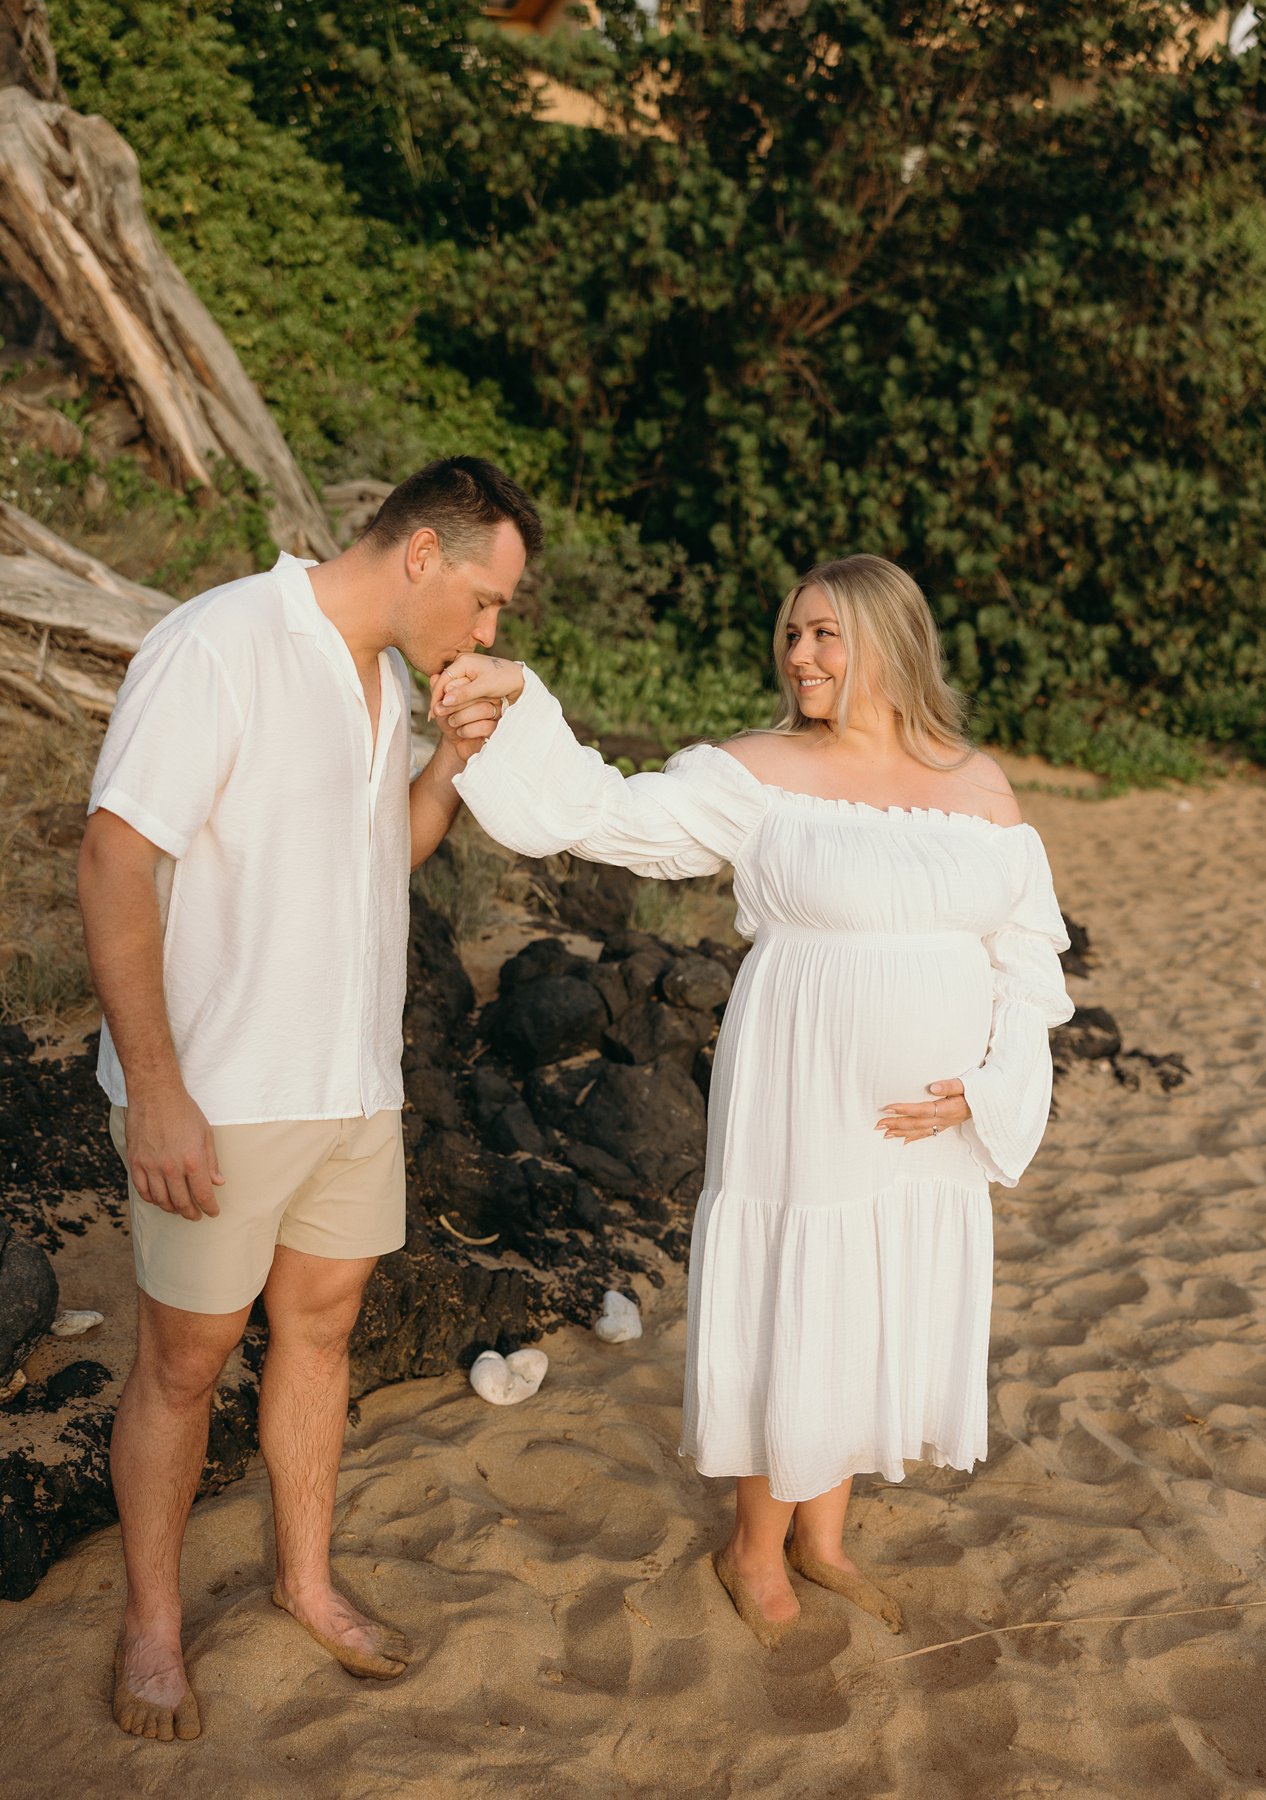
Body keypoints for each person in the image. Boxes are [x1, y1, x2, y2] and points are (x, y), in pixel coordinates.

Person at [431, 553, 1073, 1648]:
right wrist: (521, 700)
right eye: (791, 634)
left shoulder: (977, 781)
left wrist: (984, 1090)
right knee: (805, 1292)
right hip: (804, 1084)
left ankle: (823, 1543)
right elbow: (606, 812)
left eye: (825, 633)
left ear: (889, 642)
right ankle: (751, 1548)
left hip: (932, 1119)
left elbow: (1026, 961)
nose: (801, 653)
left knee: (875, 1297)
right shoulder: (757, 771)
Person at [77, 456, 537, 1740]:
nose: (490, 630)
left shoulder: (385, 681)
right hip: (219, 1091)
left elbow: (384, 847)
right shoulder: (219, 642)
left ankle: (304, 1578)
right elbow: (114, 857)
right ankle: (154, 1630)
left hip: (351, 1083)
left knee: (321, 1334)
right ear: (421, 556)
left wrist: (443, 764)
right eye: (489, 600)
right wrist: (158, 1092)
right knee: (184, 1362)